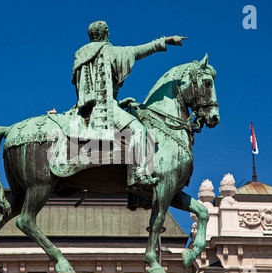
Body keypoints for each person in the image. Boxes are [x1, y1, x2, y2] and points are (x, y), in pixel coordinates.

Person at [72, 21, 187, 192]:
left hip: (84, 107)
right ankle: (139, 175)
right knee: (139, 131)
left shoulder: (80, 55)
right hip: (103, 107)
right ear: (105, 35)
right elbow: (137, 51)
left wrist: (119, 103)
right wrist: (165, 40)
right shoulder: (108, 50)